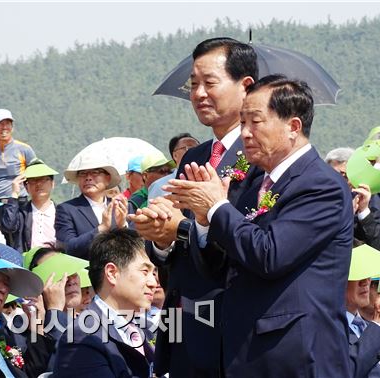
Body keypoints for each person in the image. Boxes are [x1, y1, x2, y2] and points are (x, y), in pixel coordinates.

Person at [165, 75, 353, 376]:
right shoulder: (256, 185)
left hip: (296, 356)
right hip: (246, 352)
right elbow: (226, 260)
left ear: (293, 127)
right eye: (242, 123)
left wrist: (216, 206)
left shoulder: (320, 185)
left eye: (255, 122)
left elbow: (270, 255)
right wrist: (202, 221)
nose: (245, 133)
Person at [128, 37, 259, 377]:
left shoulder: (261, 156)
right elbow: (174, 247)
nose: (198, 94)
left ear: (245, 87)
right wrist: (160, 236)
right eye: (193, 84)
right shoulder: (195, 156)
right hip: (182, 320)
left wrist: (182, 228)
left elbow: (251, 240)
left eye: (209, 83)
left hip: (232, 327)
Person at [54, 228, 157, 378]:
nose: (153, 282)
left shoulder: (146, 328)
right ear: (112, 273)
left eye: (154, 273)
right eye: (145, 272)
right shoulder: (82, 338)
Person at [0, 109, 36, 246]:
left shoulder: (24, 150)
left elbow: (35, 172)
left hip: (20, 202)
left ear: (12, 127)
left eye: (8, 124)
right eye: (0, 124)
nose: (4, 127)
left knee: (21, 241)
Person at [55, 156, 128, 259]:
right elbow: (68, 248)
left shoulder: (120, 208)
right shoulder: (67, 209)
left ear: (108, 178)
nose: (88, 177)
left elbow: (136, 246)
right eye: (83, 173)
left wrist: (122, 227)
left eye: (95, 172)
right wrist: (101, 228)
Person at [325, 147, 380, 252]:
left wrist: (363, 212)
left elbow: (378, 248)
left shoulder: (367, 207)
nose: (337, 181)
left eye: (345, 176)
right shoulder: (314, 201)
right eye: (332, 175)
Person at [345, 243, 380, 378]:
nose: (366, 281)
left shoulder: (367, 325)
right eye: (357, 274)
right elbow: (345, 372)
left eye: (369, 274)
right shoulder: (328, 329)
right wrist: (379, 325)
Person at [0, 159, 59, 252]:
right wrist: (14, 193)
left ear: (52, 183)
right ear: (26, 187)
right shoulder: (22, 213)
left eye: (43, 179)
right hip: (28, 263)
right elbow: (8, 226)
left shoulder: (62, 212)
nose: (38, 184)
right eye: (33, 180)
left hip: (56, 261)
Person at [147, 133, 199, 199]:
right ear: (175, 155)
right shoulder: (160, 186)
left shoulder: (207, 181)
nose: (195, 151)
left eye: (198, 148)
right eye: (188, 148)